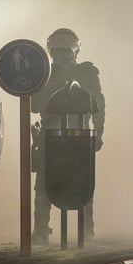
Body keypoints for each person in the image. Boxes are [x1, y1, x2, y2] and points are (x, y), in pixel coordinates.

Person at [31, 28, 105, 244]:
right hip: (50, 136)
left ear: (73, 54)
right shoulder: (45, 75)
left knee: (83, 182)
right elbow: (34, 106)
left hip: (79, 135)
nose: (61, 58)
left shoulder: (86, 73)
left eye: (65, 53)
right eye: (57, 54)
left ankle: (86, 229)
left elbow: (98, 105)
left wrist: (98, 133)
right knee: (43, 185)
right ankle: (40, 230)